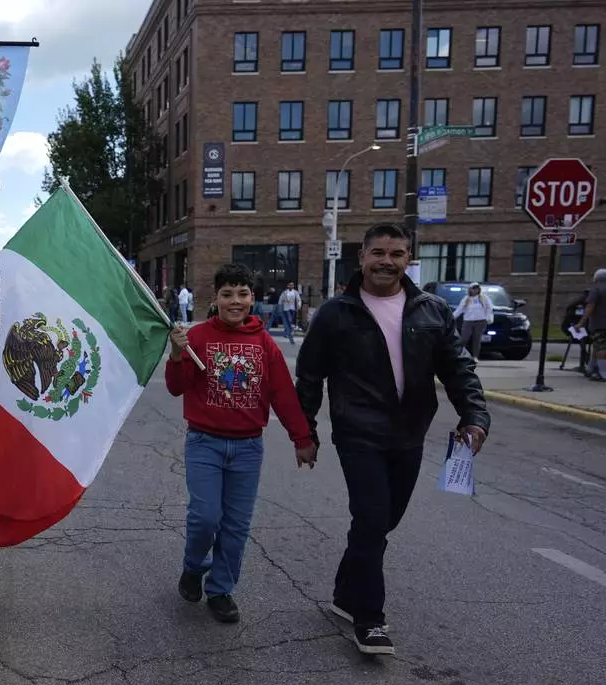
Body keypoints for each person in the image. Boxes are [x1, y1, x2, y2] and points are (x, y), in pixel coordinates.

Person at [295, 222, 490, 656]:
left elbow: (458, 369)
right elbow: (308, 377)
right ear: (362, 257)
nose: (387, 261)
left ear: (408, 260)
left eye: (397, 254)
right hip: (358, 433)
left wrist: (475, 417)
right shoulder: (335, 313)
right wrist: (304, 433)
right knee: (371, 519)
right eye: (379, 252)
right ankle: (369, 618)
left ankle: (346, 593)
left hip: (409, 434)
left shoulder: (432, 311)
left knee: (383, 522)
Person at [167, 263, 318, 623]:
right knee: (205, 518)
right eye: (227, 294)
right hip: (204, 443)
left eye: (242, 294)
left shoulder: (264, 343)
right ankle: (193, 567)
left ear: (252, 298)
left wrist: (302, 438)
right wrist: (176, 354)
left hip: (248, 448)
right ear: (215, 298)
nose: (235, 301)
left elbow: (283, 394)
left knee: (235, 526)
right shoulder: (198, 337)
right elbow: (175, 387)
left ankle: (221, 589)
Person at [454, 282, 495, 363]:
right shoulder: (466, 299)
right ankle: (460, 355)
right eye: (474, 288)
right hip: (468, 321)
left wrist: (489, 318)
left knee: (477, 339)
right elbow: (460, 309)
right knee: (464, 339)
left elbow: (489, 308)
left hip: (480, 321)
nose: (475, 290)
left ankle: (475, 356)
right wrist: (452, 317)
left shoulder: (483, 298)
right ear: (470, 289)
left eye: (477, 288)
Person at [578, 268, 606, 382]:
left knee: (601, 348)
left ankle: (602, 373)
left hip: (599, 324)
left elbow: (590, 306)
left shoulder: (596, 289)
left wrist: (581, 322)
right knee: (597, 346)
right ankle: (592, 368)